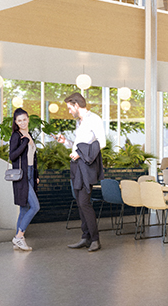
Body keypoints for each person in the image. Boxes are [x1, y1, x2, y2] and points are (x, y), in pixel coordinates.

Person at [56, 91, 105, 252]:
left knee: (84, 202)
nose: (69, 111)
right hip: (76, 166)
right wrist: (66, 142)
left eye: (70, 108)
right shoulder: (80, 122)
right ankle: (85, 238)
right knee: (79, 203)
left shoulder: (94, 119)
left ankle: (95, 239)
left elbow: (101, 142)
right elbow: (79, 145)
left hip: (87, 167)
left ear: (77, 105)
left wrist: (80, 153)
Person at [8, 108, 39, 252]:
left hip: (31, 173)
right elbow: (13, 156)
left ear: (28, 119)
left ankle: (17, 240)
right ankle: (19, 237)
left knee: (24, 208)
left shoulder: (30, 134)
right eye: (19, 120)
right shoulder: (17, 136)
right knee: (35, 206)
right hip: (22, 175)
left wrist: (36, 175)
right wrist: (25, 141)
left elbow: (33, 157)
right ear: (16, 122)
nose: (22, 122)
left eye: (24, 119)